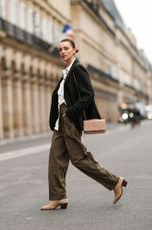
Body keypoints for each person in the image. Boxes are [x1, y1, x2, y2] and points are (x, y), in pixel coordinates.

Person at [41, 38, 127, 210]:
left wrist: (70, 112)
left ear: (75, 50)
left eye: (66, 48)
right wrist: (58, 117)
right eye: (60, 49)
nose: (62, 51)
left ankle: (114, 181)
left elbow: (88, 95)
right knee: (55, 160)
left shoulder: (78, 69)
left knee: (79, 159)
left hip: (69, 120)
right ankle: (58, 197)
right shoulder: (66, 72)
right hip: (60, 121)